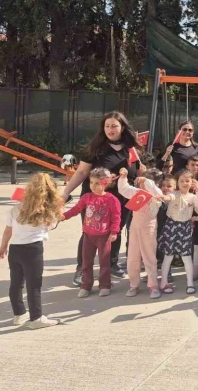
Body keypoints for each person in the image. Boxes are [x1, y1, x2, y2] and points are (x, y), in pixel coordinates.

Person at [61, 111, 141, 284]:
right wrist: (65, 193)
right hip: (95, 200)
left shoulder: (131, 148)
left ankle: (111, 264)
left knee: (116, 231)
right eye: (107, 126)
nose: (110, 129)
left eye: (114, 126)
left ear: (122, 128)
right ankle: (82, 269)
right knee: (89, 233)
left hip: (122, 199)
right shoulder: (95, 147)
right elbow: (82, 172)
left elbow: (140, 170)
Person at [0, 173, 63, 329]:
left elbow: (8, 231)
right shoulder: (44, 210)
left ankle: (19, 314)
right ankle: (36, 318)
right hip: (33, 249)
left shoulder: (16, 209)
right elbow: (52, 225)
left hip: (14, 249)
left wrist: (3, 246)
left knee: (16, 284)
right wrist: (59, 210)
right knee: (34, 285)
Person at [62, 167, 122, 298]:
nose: (93, 186)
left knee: (104, 262)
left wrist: (114, 232)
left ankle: (105, 285)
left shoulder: (112, 199)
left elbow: (116, 217)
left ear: (105, 183)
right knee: (86, 261)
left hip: (104, 236)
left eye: (97, 183)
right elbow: (77, 209)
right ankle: (86, 285)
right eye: (91, 182)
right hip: (88, 236)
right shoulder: (86, 197)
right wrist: (64, 216)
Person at [118, 167, 164, 299]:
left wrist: (148, 182)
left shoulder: (156, 195)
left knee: (149, 256)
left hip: (148, 228)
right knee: (133, 256)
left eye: (148, 181)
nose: (144, 184)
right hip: (134, 227)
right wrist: (123, 177)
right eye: (144, 180)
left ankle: (153, 285)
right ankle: (134, 284)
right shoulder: (137, 192)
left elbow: (157, 193)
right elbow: (124, 189)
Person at [158, 170, 198, 294]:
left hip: (185, 227)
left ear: (192, 182)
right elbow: (169, 197)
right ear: (177, 182)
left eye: (187, 181)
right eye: (182, 181)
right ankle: (164, 282)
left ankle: (190, 283)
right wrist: (164, 197)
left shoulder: (193, 196)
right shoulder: (174, 193)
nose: (185, 183)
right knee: (168, 256)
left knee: (186, 256)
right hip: (171, 226)